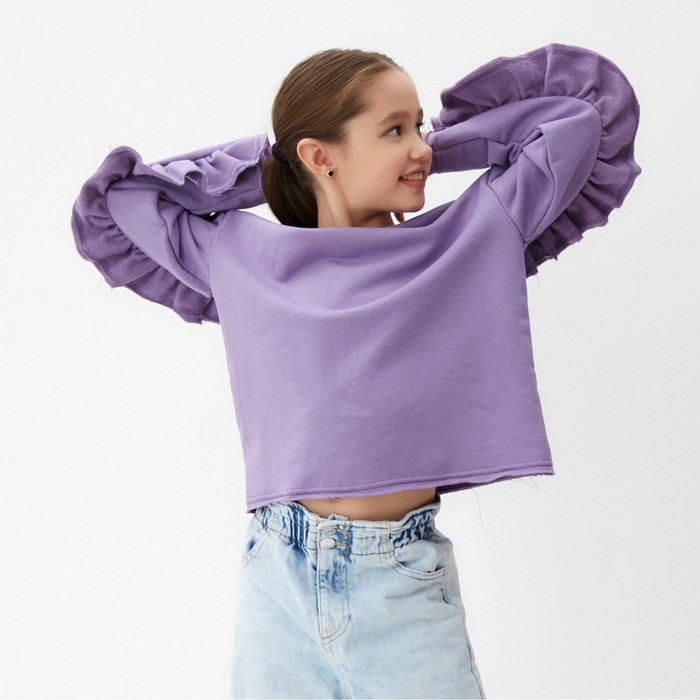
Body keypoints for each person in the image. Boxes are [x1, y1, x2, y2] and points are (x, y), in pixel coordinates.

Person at [72, 43, 641, 699]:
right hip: (276, 583)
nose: (419, 147)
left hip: (399, 585)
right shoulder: (244, 257)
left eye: (418, 125)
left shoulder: (472, 234)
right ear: (320, 155)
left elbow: (580, 117)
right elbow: (120, 201)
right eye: (394, 130)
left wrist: (436, 145)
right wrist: (277, 165)